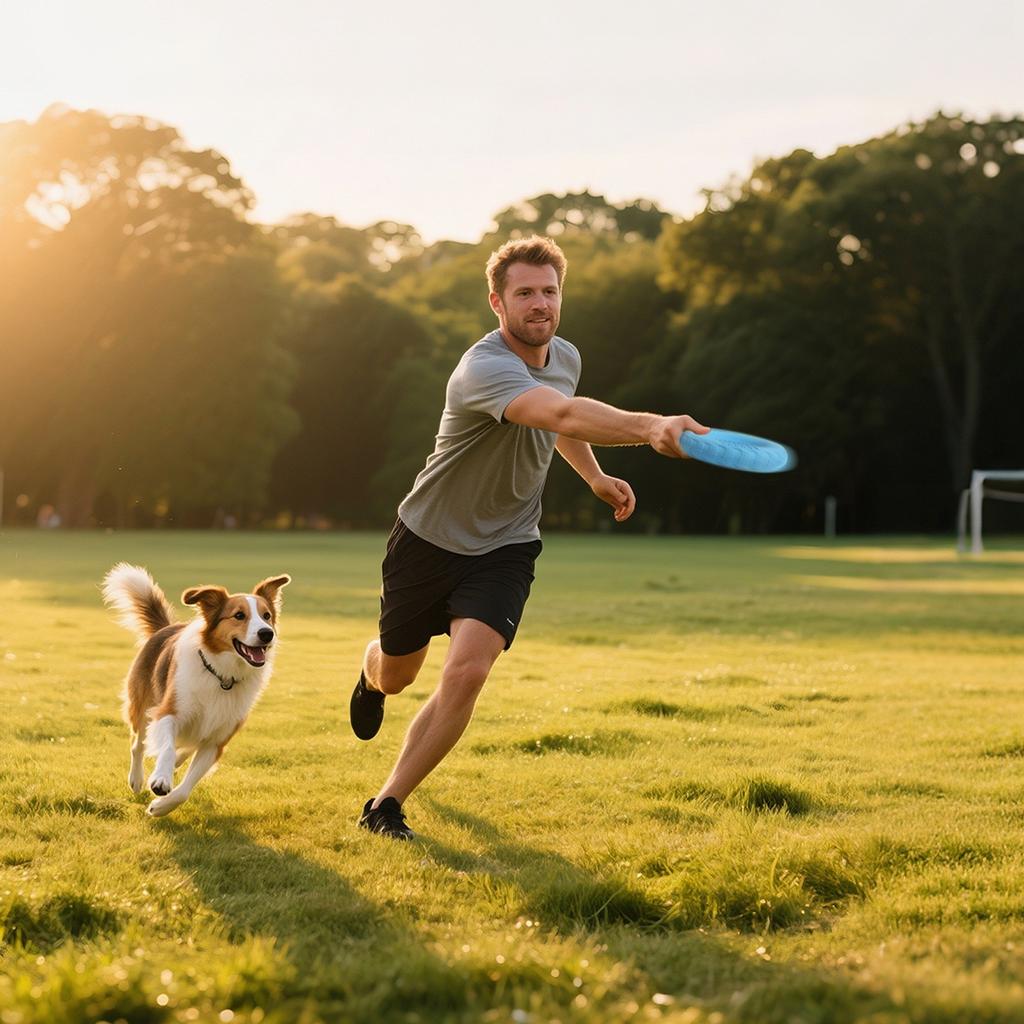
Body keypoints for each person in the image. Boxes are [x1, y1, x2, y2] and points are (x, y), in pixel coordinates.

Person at [350, 235, 707, 840]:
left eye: (549, 291)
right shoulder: (483, 367)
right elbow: (561, 414)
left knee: (466, 672)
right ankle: (369, 671)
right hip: (428, 539)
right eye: (525, 293)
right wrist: (650, 427)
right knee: (399, 675)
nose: (540, 304)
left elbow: (558, 420)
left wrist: (594, 477)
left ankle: (385, 804)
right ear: (497, 301)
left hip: (506, 545)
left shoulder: (564, 355)